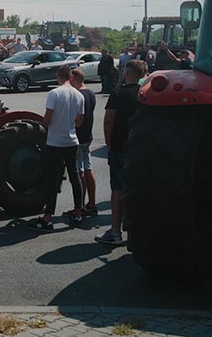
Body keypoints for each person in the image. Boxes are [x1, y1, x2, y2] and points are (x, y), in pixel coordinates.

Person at [95, 60, 146, 246]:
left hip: (119, 147)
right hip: (139, 148)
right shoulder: (144, 95)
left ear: (127, 72)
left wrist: (109, 144)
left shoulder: (118, 93)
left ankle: (115, 231)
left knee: (117, 188)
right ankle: (135, 229)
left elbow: (109, 121)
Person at [29, 65, 85, 232]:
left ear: (57, 77)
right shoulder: (79, 95)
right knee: (74, 176)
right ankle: (78, 212)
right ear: (71, 77)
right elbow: (79, 122)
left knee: (52, 179)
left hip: (55, 142)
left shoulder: (54, 93)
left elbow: (47, 119)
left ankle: (48, 218)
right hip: (72, 140)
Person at [70, 68, 97, 215]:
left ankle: (79, 206)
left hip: (78, 136)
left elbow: (76, 117)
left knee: (79, 171)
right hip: (88, 135)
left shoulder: (77, 95)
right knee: (88, 168)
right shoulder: (91, 93)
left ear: (73, 79)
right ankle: (91, 203)